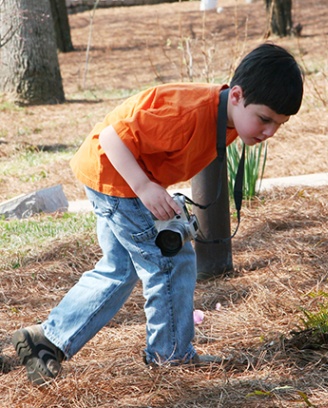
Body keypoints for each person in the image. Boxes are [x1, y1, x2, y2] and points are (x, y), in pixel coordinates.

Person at [12, 43, 304, 386]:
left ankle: (46, 340)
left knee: (119, 269)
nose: (269, 131)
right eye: (265, 119)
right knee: (169, 261)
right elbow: (111, 137)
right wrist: (146, 188)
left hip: (115, 177)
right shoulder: (186, 112)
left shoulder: (228, 116)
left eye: (278, 124)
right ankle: (171, 355)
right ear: (236, 96)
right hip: (118, 179)